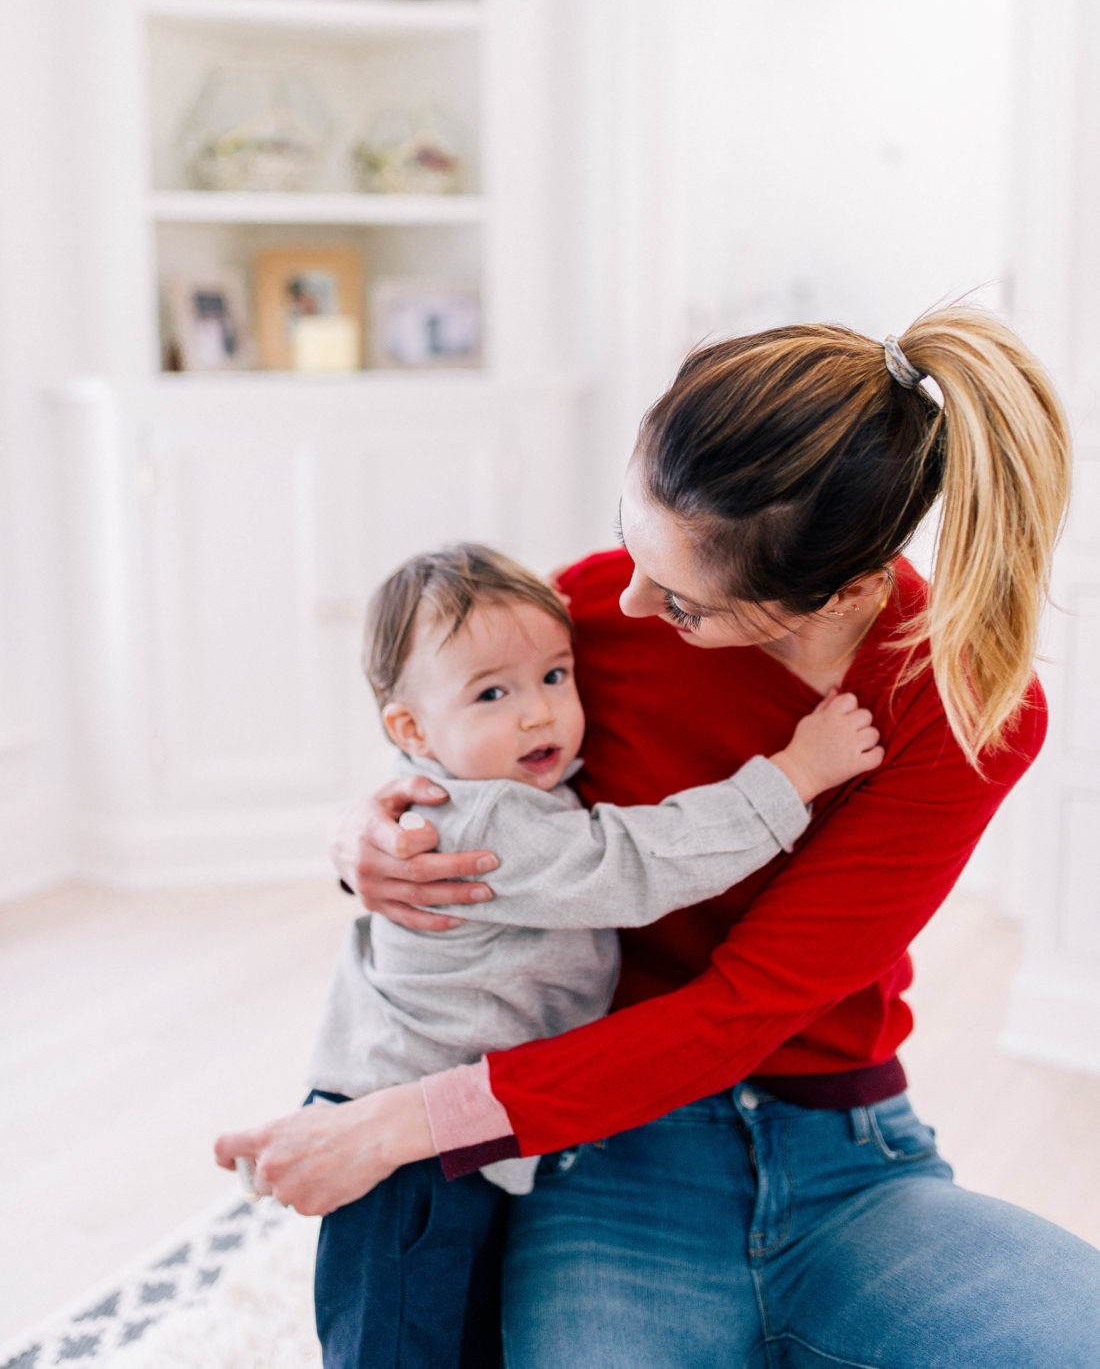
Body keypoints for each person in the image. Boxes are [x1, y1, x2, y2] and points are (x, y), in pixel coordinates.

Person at [217, 308, 1100, 1368]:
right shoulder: (598, 605)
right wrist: (360, 829)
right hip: (608, 1146)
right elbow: (455, 722)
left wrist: (398, 1126)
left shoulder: (963, 707)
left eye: (679, 601)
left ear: (846, 592)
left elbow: (744, 1007)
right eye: (629, 541)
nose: (622, 600)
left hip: (844, 1154)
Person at [277, 541, 881, 1369]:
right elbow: (634, 862)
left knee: (472, 1330)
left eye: (555, 677)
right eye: (493, 693)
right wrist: (792, 776)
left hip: (466, 1127)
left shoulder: (495, 784)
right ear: (413, 729)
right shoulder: (486, 823)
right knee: (401, 1344)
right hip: (405, 1147)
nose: (538, 713)